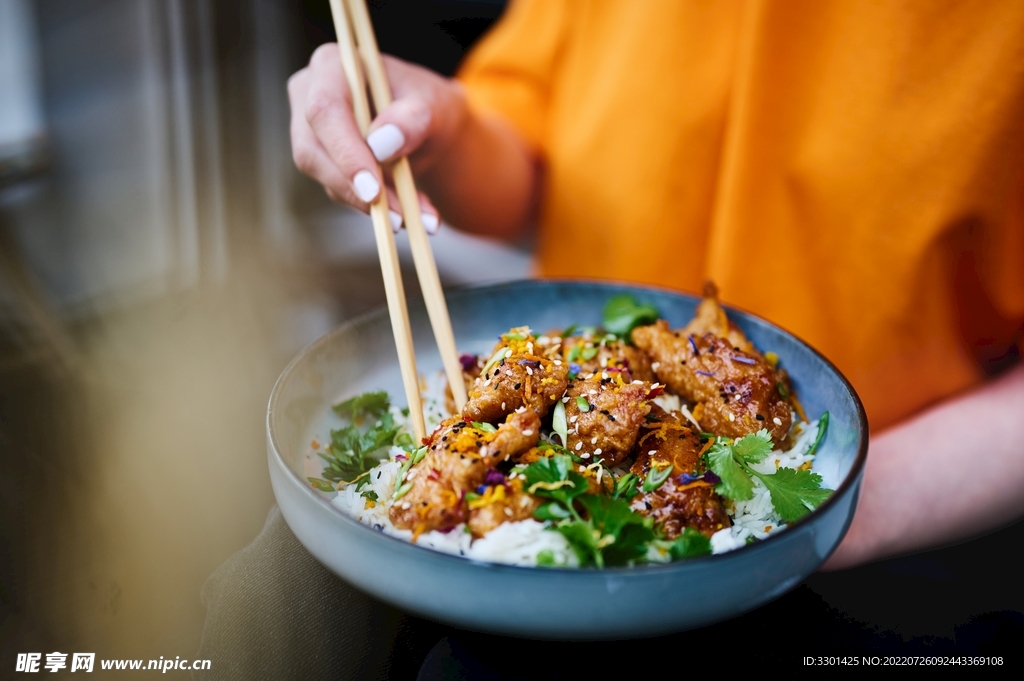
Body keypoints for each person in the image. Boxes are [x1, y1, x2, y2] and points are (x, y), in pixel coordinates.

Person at [286, 0, 1024, 569]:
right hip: (568, 428)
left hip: (910, 530)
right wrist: (437, 130)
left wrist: (841, 504)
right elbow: (528, 154)